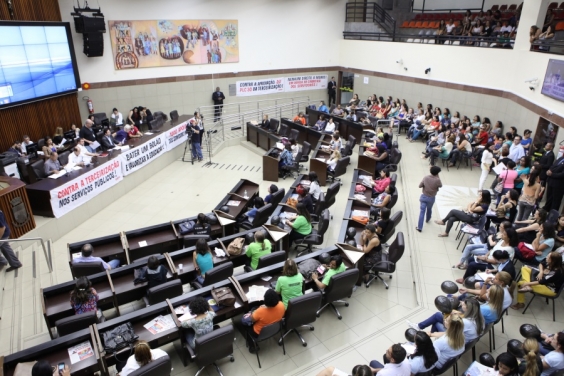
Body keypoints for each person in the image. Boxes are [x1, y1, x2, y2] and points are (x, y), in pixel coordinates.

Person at [409, 297, 484, 344]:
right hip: (468, 339)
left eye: (463, 304)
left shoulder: (465, 322)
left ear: (467, 308)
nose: (461, 303)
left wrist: (432, 334)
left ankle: (425, 335)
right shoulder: (479, 317)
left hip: (460, 341)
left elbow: (450, 333)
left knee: (437, 320)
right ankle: (422, 330)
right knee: (438, 318)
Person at [235, 289, 285, 353]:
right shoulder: (281, 305)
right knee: (254, 308)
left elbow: (252, 320)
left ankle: (253, 346)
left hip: (259, 333)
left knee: (244, 321)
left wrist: (253, 312)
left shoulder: (260, 311)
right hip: (275, 329)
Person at [417, 166, 442, 232]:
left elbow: (420, 185)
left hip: (424, 197)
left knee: (422, 212)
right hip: (431, 198)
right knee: (429, 209)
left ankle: (419, 227)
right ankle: (428, 219)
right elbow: (440, 185)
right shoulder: (437, 180)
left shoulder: (426, 178)